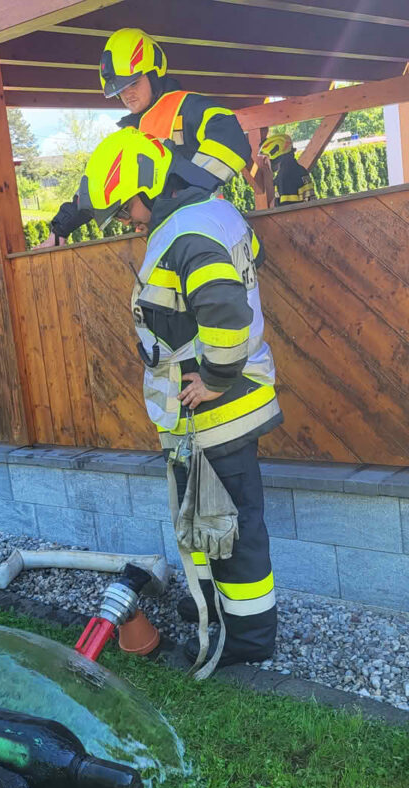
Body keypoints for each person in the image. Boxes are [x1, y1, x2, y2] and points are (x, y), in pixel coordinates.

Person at [77, 127, 283, 671]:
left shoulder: (182, 237)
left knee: (227, 532)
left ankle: (246, 642)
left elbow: (225, 310)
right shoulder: (216, 214)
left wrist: (216, 377)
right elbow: (250, 265)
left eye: (126, 210)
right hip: (223, 412)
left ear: (148, 187)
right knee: (227, 528)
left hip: (215, 414)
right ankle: (223, 620)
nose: (127, 222)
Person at [42, 27, 251, 246]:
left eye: (134, 83)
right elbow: (97, 188)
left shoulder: (187, 108)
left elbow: (230, 135)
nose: (128, 94)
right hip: (165, 237)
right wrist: (59, 231)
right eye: (120, 90)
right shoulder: (129, 134)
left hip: (208, 230)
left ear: (154, 74)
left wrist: (187, 186)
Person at [258, 133, 316, 206]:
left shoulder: (285, 176)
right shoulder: (299, 169)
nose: (265, 162)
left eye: (266, 157)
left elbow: (286, 209)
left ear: (275, 154)